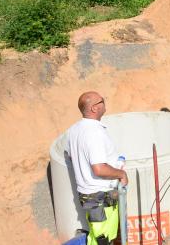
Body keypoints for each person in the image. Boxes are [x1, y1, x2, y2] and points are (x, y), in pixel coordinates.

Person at [67, 91, 128, 245]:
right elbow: (99, 169)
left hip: (90, 197)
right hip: (101, 198)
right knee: (104, 239)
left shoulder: (75, 129)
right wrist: (121, 173)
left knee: (98, 237)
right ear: (94, 108)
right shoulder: (94, 133)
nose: (104, 102)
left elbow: (75, 158)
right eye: (102, 100)